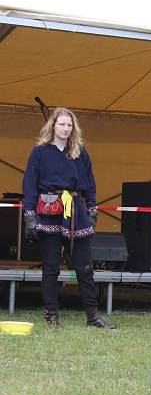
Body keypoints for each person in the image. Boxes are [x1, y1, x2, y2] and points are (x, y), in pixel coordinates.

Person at [21, 107, 114, 328]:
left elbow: (90, 184)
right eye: (62, 124)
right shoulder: (40, 152)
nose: (65, 128)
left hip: (76, 212)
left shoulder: (80, 152)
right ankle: (51, 315)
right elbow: (30, 184)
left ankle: (93, 316)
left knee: (84, 267)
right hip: (49, 211)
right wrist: (30, 216)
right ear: (53, 125)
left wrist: (92, 210)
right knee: (51, 267)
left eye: (69, 125)